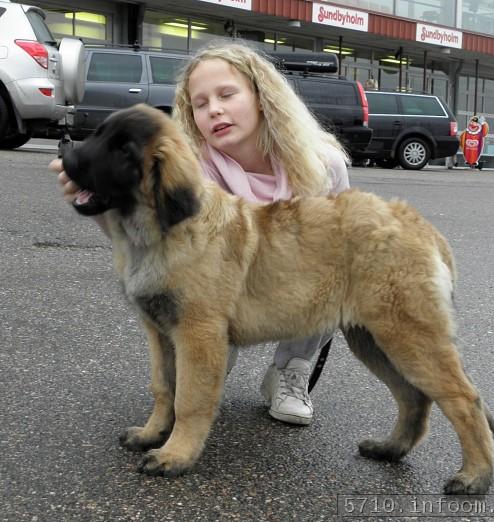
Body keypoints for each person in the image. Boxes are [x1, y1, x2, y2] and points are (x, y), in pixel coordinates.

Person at [51, 41, 350, 426]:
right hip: (219, 284)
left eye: (227, 94)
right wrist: (93, 202)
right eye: (200, 103)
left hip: (293, 279)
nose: (215, 110)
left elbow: (342, 241)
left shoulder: (323, 164)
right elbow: (149, 245)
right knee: (196, 307)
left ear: (262, 97)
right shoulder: (188, 170)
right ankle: (211, 359)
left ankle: (290, 369)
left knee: (338, 276)